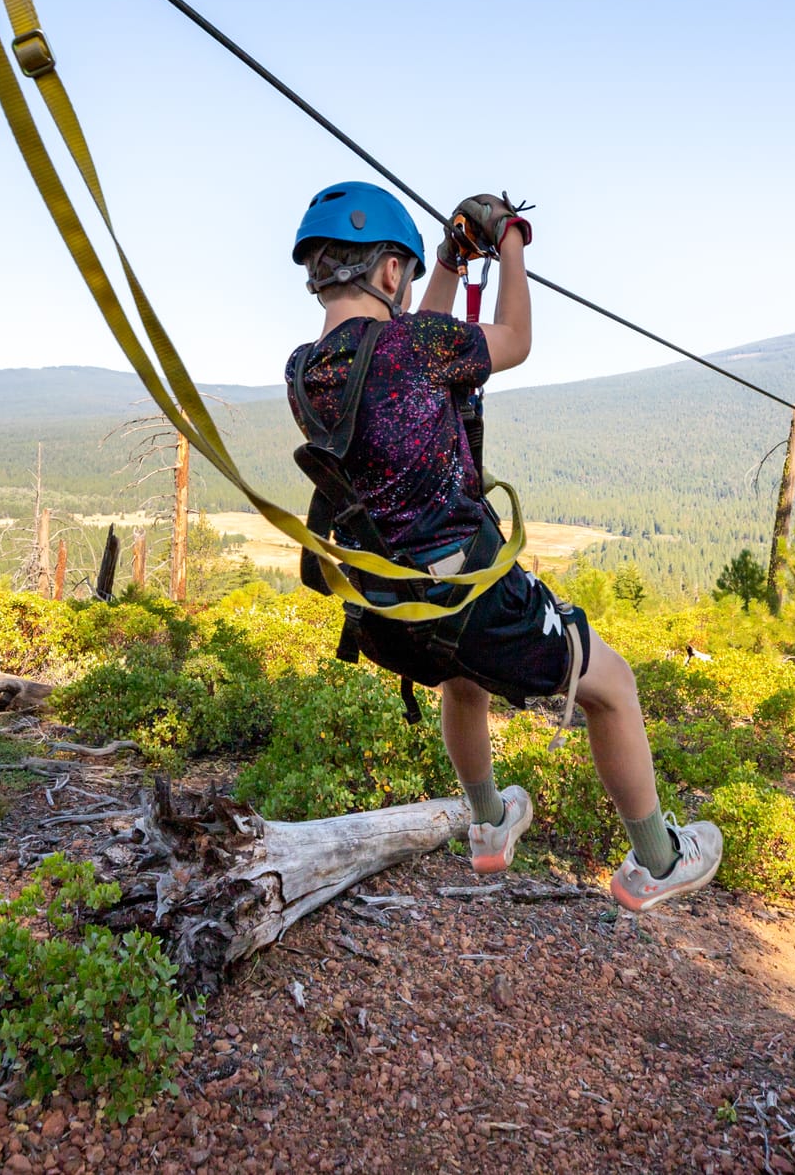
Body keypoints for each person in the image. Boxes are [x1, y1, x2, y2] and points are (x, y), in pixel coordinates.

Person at [284, 181, 722, 910]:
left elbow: (401, 358)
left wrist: (452, 262)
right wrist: (510, 240)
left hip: (394, 610)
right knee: (612, 688)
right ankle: (658, 859)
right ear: (390, 272)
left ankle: (489, 825)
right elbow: (511, 340)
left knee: (464, 681)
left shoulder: (306, 370)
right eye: (413, 273)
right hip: (473, 593)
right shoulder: (414, 347)